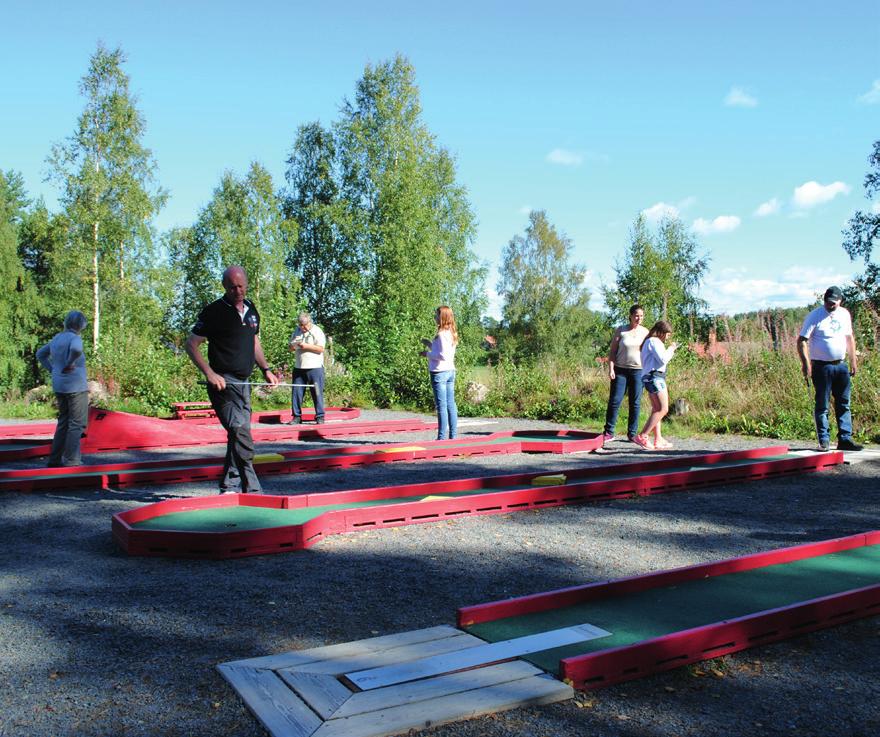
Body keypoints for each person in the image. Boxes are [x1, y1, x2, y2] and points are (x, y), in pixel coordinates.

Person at [184, 266, 279, 494]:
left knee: (238, 432)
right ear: (225, 287)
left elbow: (254, 342)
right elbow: (191, 344)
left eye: (240, 286)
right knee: (240, 431)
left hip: (244, 382)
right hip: (223, 383)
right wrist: (210, 373)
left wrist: (266, 369)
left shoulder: (252, 310)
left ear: (246, 284)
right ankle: (253, 489)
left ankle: (229, 485)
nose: (237, 291)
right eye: (232, 287)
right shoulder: (213, 312)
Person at [797, 286, 862, 452]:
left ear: (840, 301)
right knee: (822, 405)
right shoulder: (815, 316)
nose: (830, 305)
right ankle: (824, 440)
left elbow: (849, 338)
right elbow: (802, 340)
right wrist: (806, 364)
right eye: (827, 302)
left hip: (840, 365)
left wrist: (853, 360)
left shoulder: (844, 314)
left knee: (843, 403)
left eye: (833, 303)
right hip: (821, 366)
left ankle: (845, 439)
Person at [36, 311, 89, 467]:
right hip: (76, 386)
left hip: (59, 385)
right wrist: (70, 362)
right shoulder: (74, 338)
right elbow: (77, 349)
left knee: (63, 422)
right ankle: (72, 460)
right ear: (80, 325)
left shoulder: (57, 338)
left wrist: (52, 369)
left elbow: (40, 354)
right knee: (77, 423)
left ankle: (55, 459)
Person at [602, 305, 649, 444]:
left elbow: (648, 353)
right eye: (636, 315)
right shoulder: (621, 330)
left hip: (638, 371)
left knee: (635, 403)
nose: (638, 318)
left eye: (641, 316)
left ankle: (632, 434)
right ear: (630, 316)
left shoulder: (646, 332)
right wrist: (611, 369)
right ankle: (609, 432)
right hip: (620, 370)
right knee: (615, 401)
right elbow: (612, 352)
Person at [633, 320, 678, 451]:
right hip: (655, 377)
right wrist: (671, 348)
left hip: (649, 377)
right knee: (663, 409)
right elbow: (663, 359)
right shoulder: (654, 341)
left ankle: (658, 438)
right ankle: (642, 436)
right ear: (661, 332)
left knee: (656, 409)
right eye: (667, 334)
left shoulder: (649, 342)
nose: (668, 337)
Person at [420, 305, 459, 440]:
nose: (435, 317)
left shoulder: (442, 334)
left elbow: (442, 355)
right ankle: (453, 437)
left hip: (439, 372)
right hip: (449, 371)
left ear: (442, 317)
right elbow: (442, 351)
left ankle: (441, 438)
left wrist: (427, 354)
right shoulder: (451, 333)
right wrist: (430, 344)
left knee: (441, 406)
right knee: (450, 404)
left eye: (437, 315)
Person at [287, 312, 326, 425]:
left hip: (315, 367)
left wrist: (306, 346)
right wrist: (293, 345)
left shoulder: (317, 331)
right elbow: (290, 348)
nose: (303, 327)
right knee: (296, 393)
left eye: (304, 325)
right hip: (299, 367)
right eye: (300, 325)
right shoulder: (297, 331)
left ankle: (320, 416)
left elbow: (320, 349)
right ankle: (296, 417)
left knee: (317, 392)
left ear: (310, 322)